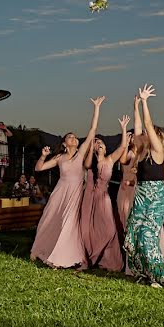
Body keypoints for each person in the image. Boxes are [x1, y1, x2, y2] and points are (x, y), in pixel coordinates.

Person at [30, 97, 104, 268]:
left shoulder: (81, 153)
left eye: (75, 137)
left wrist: (97, 108)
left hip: (75, 193)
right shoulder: (59, 157)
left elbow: (92, 130)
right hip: (60, 192)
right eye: (70, 137)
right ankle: (40, 249)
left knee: (68, 222)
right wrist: (43, 155)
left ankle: (63, 256)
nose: (74, 138)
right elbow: (39, 168)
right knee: (49, 219)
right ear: (64, 143)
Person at [124, 85, 164, 288]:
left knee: (148, 234)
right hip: (141, 194)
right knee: (134, 234)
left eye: (148, 133)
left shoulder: (158, 150)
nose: (143, 134)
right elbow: (139, 127)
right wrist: (135, 105)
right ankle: (146, 274)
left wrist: (146, 102)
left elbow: (146, 123)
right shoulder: (140, 151)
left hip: (156, 195)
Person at [79, 117, 130, 271]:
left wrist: (123, 128)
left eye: (102, 143)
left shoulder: (110, 160)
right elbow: (87, 165)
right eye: (97, 143)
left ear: (106, 148)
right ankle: (88, 259)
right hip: (89, 197)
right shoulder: (89, 163)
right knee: (87, 229)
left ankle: (108, 259)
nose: (99, 144)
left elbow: (122, 147)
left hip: (104, 197)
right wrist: (90, 149)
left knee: (109, 229)